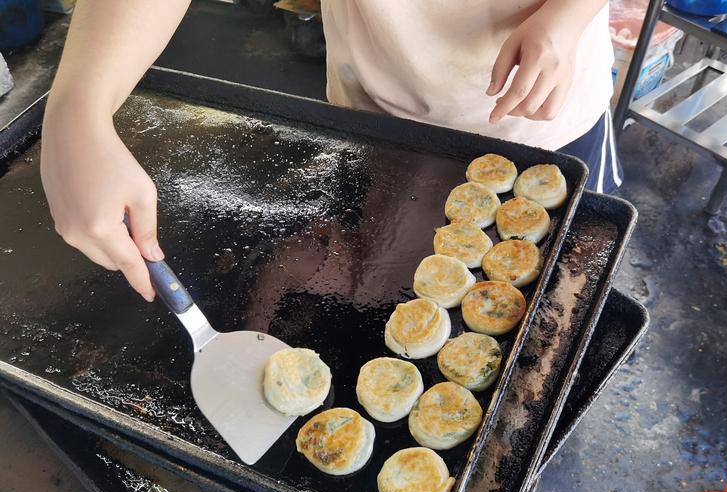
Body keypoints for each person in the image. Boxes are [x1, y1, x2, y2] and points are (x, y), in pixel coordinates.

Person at [40, 0, 620, 303]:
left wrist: (565, 17)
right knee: (379, 289)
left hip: (533, 113)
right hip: (373, 114)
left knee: (539, 330)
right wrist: (79, 108)